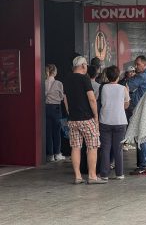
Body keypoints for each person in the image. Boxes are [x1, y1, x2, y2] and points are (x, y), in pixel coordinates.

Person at [64, 56, 106, 184]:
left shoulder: (67, 79)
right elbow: (92, 99)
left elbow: (65, 99)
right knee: (92, 146)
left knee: (75, 147)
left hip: (73, 119)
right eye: (86, 65)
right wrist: (96, 116)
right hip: (86, 118)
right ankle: (92, 176)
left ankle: (77, 176)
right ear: (83, 66)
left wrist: (70, 113)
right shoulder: (84, 79)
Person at [97, 66, 130, 180]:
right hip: (120, 121)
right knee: (118, 148)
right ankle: (119, 174)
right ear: (118, 76)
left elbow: (100, 102)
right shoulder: (123, 88)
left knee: (105, 148)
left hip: (105, 120)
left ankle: (104, 174)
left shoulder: (103, 87)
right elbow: (126, 105)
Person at [127, 55, 146, 175]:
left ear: (144, 65)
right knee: (144, 137)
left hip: (140, 109)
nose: (136, 66)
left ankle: (144, 165)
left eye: (138, 64)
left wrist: (128, 79)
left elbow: (127, 86)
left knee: (141, 137)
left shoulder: (142, 77)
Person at [45, 64, 65, 162]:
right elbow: (61, 97)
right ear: (55, 72)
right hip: (56, 108)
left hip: (46, 108)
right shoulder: (58, 83)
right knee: (56, 131)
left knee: (48, 132)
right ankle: (57, 153)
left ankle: (50, 154)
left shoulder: (43, 82)